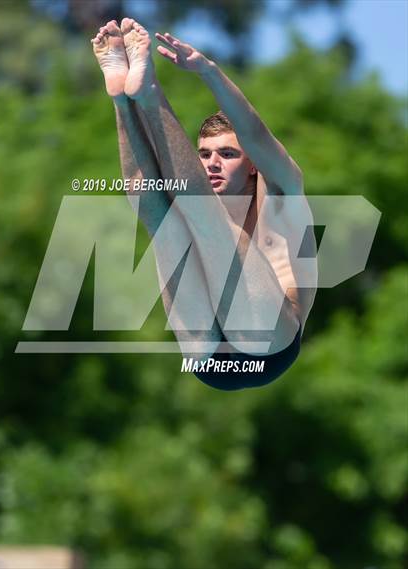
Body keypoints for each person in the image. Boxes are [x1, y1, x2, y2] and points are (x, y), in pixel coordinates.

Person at [91, 18, 317, 390]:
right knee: (162, 221)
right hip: (207, 358)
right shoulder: (196, 193)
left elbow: (256, 134)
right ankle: (120, 95)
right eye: (205, 153)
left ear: (253, 165)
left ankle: (148, 93)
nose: (212, 162)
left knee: (202, 217)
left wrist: (208, 71)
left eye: (228, 153)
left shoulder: (280, 194)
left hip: (267, 345)